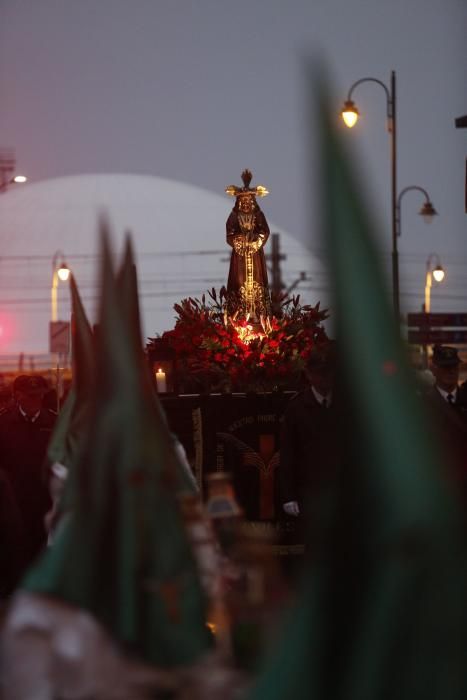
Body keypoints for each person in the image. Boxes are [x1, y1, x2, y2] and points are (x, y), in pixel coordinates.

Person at [0, 375, 56, 581]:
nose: (36, 401)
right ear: (18, 397)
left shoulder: (53, 421)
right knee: (14, 547)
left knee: (42, 546)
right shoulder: (4, 422)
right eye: (30, 396)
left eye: (39, 396)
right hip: (12, 500)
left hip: (44, 498)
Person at [278, 341, 340, 521]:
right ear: (309, 374)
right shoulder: (297, 408)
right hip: (310, 490)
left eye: (328, 373)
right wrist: (289, 495)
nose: (324, 379)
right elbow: (289, 454)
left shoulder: (344, 405)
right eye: (319, 374)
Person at [225, 169, 272, 321]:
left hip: (255, 253)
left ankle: (258, 314)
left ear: (252, 202)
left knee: (257, 281)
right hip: (240, 255)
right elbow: (230, 233)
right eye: (242, 201)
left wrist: (256, 240)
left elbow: (264, 230)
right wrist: (238, 239)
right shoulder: (234, 215)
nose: (245, 203)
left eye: (248, 201)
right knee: (239, 282)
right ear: (239, 202)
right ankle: (238, 314)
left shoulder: (258, 215)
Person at [423, 344, 467, 493]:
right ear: (434, 369)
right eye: (445, 367)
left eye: (454, 366)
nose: (450, 371)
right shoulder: (424, 405)